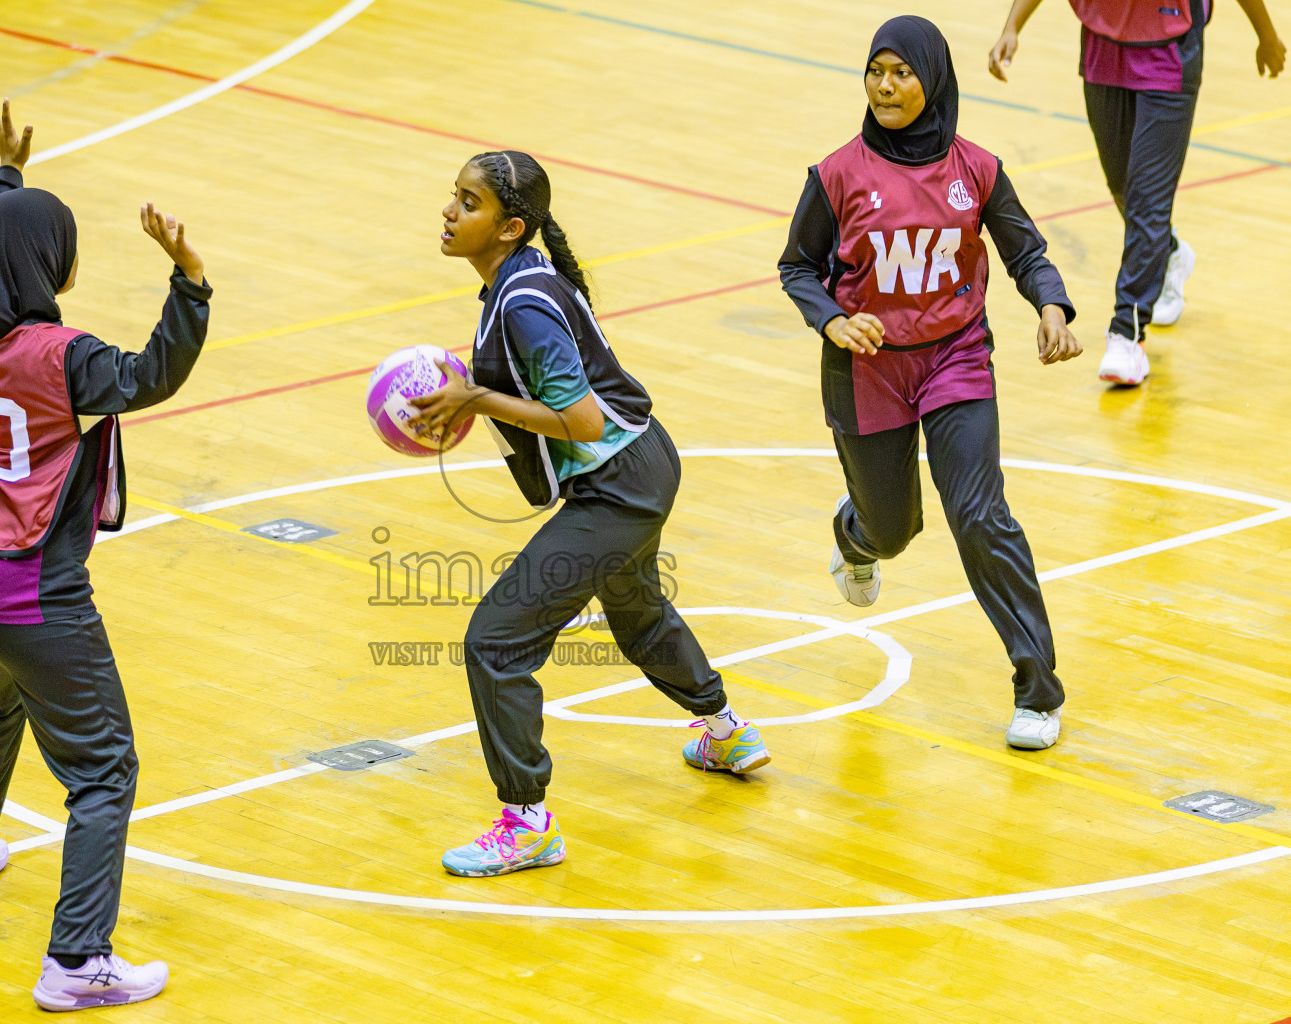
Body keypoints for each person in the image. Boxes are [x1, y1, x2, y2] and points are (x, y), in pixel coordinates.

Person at [0, 92, 210, 1012]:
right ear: (57, 262)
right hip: (29, 590)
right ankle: (76, 963)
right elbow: (150, 377)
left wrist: (5, 182)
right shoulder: (63, 356)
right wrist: (189, 283)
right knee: (104, 770)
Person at [409, 150, 769, 878]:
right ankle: (726, 733)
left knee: (496, 643)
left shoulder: (524, 303)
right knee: (637, 612)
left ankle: (527, 823)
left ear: (511, 227)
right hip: (641, 465)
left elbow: (578, 420)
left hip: (618, 480)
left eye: (469, 203)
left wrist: (475, 400)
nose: (450, 211)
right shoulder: (515, 284)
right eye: (453, 196)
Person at [777, 17, 1083, 750]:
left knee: (979, 515)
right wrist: (830, 320)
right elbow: (796, 265)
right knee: (893, 530)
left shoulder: (975, 168)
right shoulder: (837, 175)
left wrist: (1052, 307)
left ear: (933, 80)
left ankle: (1037, 690)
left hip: (956, 358)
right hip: (866, 368)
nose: (886, 84)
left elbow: (1026, 251)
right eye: (875, 70)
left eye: (901, 72)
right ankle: (856, 535)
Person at [989, 0, 1285, 385]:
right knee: (1124, 189)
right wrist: (1013, 26)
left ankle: (1126, 334)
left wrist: (1265, 34)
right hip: (1102, 44)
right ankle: (1170, 253)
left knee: (1148, 201)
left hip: (1170, 48)